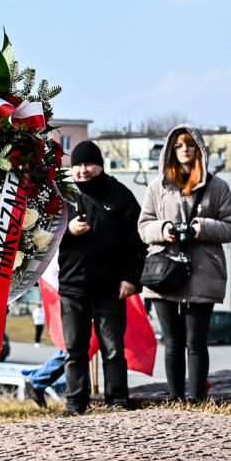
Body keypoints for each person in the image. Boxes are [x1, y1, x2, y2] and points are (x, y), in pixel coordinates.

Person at [138, 125, 231, 402]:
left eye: (190, 145)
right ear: (172, 150)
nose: (185, 150)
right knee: (172, 343)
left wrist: (200, 228)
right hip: (165, 273)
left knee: (196, 343)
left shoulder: (217, 187)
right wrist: (164, 229)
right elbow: (143, 226)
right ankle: (175, 398)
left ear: (200, 150)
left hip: (203, 274)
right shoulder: (157, 187)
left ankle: (196, 399)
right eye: (179, 145)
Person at [58, 140, 146, 415]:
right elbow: (41, 240)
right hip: (72, 287)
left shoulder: (120, 195)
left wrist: (131, 279)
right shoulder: (62, 196)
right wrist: (67, 230)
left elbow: (137, 243)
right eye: (78, 166)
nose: (83, 171)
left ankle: (117, 401)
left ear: (100, 165)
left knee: (113, 350)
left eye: (88, 165)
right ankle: (75, 403)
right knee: (74, 350)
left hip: (111, 288)